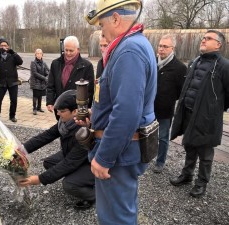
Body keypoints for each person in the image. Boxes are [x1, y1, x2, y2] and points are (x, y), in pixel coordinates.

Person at [84, 0, 157, 224]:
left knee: (115, 218)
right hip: (125, 149)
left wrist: (104, 158)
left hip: (118, 153)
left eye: (102, 25)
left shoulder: (129, 50)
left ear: (116, 19)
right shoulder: (133, 44)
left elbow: (126, 113)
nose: (101, 32)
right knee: (122, 210)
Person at [169, 30, 229, 197]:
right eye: (203, 38)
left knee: (205, 152)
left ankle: (201, 183)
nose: (203, 40)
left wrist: (214, 109)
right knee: (189, 145)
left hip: (207, 118)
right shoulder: (195, 61)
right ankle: (187, 175)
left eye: (208, 38)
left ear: (218, 44)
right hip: (189, 113)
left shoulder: (224, 66)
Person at [19, 90, 95, 210]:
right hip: (75, 157)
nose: (58, 114)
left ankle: (95, 194)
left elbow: (69, 163)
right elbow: (46, 136)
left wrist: (39, 179)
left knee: (69, 184)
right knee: (48, 163)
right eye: (58, 110)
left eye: (62, 111)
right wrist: (21, 150)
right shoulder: (65, 123)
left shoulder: (84, 132)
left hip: (92, 164)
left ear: (75, 111)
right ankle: (78, 178)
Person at [152, 34, 187, 173]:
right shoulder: (152, 62)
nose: (161, 49)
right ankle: (146, 156)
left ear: (172, 48)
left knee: (163, 137)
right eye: (160, 45)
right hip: (149, 107)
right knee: (146, 134)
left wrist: (168, 98)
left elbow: (181, 91)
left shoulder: (179, 68)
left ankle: (160, 162)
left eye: (165, 46)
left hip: (165, 110)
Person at [46, 36, 95, 120]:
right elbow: (50, 84)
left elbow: (89, 91)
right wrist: (50, 101)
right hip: (60, 109)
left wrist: (84, 110)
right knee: (61, 130)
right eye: (66, 50)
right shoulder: (55, 64)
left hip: (76, 111)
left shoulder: (87, 66)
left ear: (78, 49)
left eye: (71, 50)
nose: (68, 53)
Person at [0, 38, 23, 122]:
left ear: (8, 47)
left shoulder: (12, 55)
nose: (3, 47)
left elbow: (20, 62)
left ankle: (12, 116)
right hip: (1, 82)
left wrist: (13, 53)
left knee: (13, 100)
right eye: (1, 45)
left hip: (13, 82)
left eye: (5, 45)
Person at [30, 49, 50, 115]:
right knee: (35, 95)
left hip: (42, 82)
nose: (39, 55)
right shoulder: (33, 62)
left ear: (42, 54)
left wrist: (47, 75)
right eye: (37, 53)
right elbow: (35, 73)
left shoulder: (44, 63)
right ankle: (34, 108)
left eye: (40, 53)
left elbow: (48, 71)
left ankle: (39, 107)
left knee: (40, 95)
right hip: (35, 82)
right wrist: (44, 78)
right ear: (35, 54)